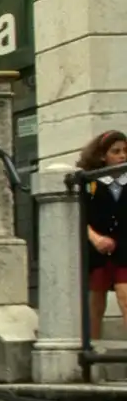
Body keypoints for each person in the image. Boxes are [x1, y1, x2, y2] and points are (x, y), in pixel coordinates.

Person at [80, 129, 127, 339]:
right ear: (102, 156)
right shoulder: (90, 183)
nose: (122, 156)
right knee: (95, 303)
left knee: (125, 297)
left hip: (124, 249)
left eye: (125, 151)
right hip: (97, 252)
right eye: (116, 151)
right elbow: (79, 216)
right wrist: (95, 238)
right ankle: (93, 348)